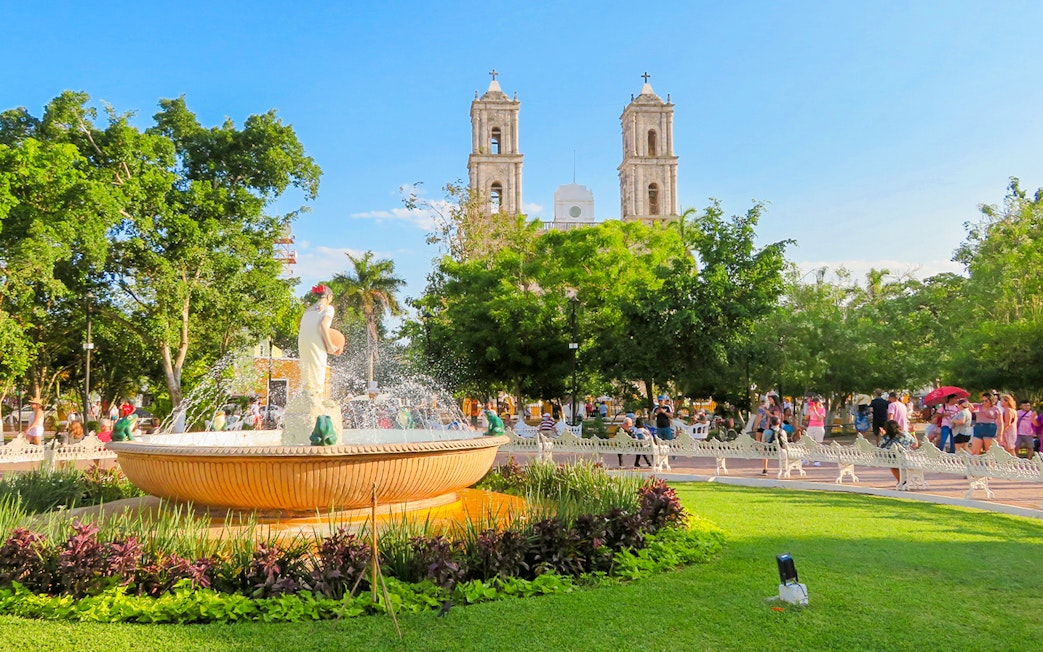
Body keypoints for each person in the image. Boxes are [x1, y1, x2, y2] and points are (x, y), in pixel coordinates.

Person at [298, 284, 343, 396]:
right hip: (315, 341)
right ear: (329, 296)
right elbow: (323, 325)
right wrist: (330, 345)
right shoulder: (328, 308)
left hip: (303, 340)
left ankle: (307, 393)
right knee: (318, 366)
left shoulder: (308, 310)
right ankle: (316, 396)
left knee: (307, 367)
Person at [879, 419, 917, 487]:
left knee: (893, 465)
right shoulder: (905, 435)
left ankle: (901, 481)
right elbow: (915, 444)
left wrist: (882, 435)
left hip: (894, 460)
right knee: (897, 463)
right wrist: (913, 433)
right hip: (907, 458)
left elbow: (880, 447)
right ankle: (904, 480)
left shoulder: (886, 438)